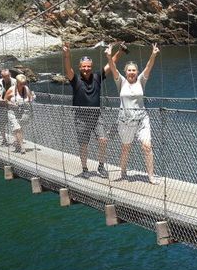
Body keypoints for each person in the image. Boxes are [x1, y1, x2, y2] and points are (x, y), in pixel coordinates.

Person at [63, 42, 122, 176]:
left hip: (96, 115)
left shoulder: (97, 77)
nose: (86, 69)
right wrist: (67, 55)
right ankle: (84, 169)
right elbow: (68, 70)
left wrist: (120, 52)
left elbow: (110, 64)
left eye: (89, 66)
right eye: (84, 66)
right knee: (84, 144)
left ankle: (101, 166)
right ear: (80, 67)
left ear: (92, 67)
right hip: (81, 116)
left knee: (103, 139)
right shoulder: (75, 79)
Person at [106, 42, 160, 184]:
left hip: (142, 120)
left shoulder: (141, 81)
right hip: (125, 121)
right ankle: (123, 172)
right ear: (125, 72)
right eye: (129, 70)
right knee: (126, 148)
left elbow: (148, 67)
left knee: (147, 146)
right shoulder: (121, 82)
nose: (131, 72)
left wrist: (153, 54)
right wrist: (109, 56)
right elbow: (112, 68)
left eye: (133, 70)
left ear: (137, 72)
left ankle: (151, 176)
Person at [4, 74, 34, 154]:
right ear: (17, 83)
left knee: (19, 129)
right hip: (12, 113)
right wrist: (12, 103)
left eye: (24, 83)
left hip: (23, 113)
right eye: (21, 84)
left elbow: (30, 98)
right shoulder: (11, 90)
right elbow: (5, 100)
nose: (23, 85)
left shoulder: (26, 89)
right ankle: (22, 147)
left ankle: (17, 143)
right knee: (17, 128)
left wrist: (30, 99)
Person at [0, 68, 15, 146]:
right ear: (2, 76)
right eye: (4, 76)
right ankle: (4, 139)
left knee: (14, 124)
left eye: (7, 76)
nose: (6, 78)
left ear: (10, 75)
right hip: (1, 107)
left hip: (12, 107)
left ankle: (16, 140)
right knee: (2, 124)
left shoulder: (15, 82)